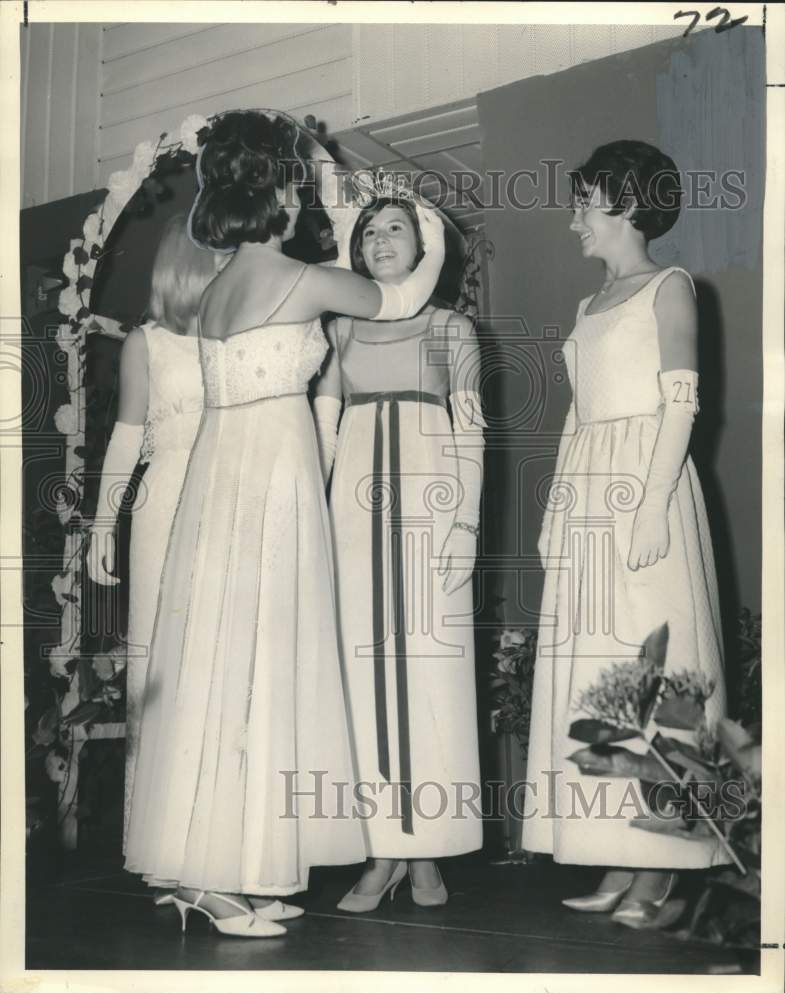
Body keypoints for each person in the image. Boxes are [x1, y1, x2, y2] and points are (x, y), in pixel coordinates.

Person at [122, 111, 446, 938]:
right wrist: (410, 222)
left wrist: (325, 186)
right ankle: (221, 880)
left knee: (225, 670)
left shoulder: (224, 281)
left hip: (225, 475)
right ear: (283, 187)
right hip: (269, 476)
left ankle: (230, 871)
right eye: (297, 177)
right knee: (262, 665)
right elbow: (402, 294)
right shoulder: (304, 281)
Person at [522, 140, 727, 929]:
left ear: (626, 202)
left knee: (656, 668)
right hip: (587, 492)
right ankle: (618, 851)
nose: (574, 217)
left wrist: (649, 505)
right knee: (604, 671)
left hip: (648, 483)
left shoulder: (670, 287)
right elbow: (579, 415)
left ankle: (665, 866)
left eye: (585, 201)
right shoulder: (587, 305)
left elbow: (680, 404)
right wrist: (553, 512)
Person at [313, 189, 485, 912]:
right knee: (361, 677)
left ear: (424, 248)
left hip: (429, 505)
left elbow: (472, 430)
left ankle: (427, 850)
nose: (381, 239)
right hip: (351, 510)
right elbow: (321, 430)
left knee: (428, 675)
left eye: (396, 229)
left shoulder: (452, 327)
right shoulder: (341, 330)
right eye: (371, 231)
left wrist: (467, 525)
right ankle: (381, 851)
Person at [86, 214, 221, 901]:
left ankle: (226, 855)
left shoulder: (238, 333)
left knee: (222, 675)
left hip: (232, 507)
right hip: (166, 507)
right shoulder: (149, 342)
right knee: (166, 671)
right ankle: (168, 852)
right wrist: (103, 523)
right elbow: (124, 438)